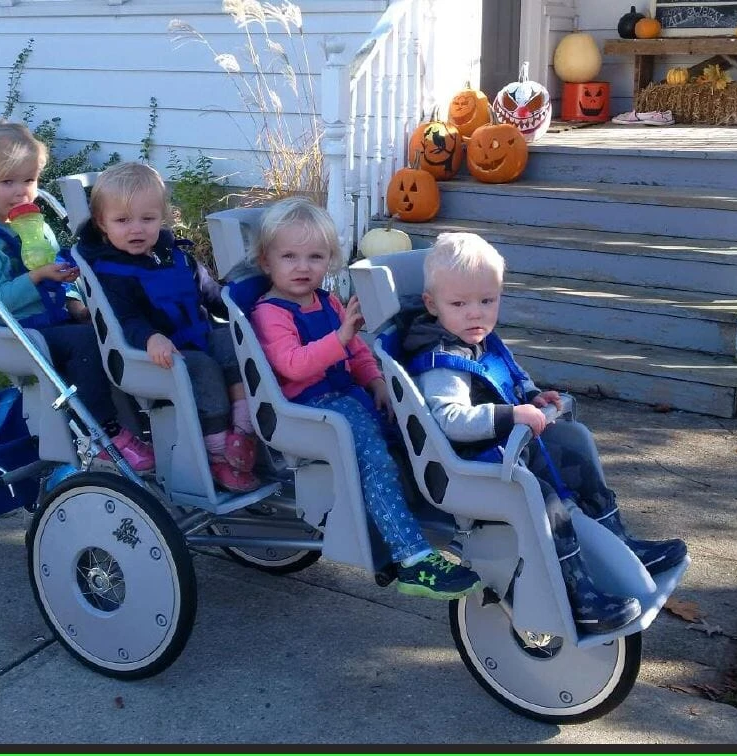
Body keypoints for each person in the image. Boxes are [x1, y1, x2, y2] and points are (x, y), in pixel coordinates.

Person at [401, 231, 688, 633]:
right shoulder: (443, 363)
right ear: (432, 305)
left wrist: (533, 396)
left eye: (487, 301)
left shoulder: (483, 341)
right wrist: (511, 414)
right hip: (474, 468)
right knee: (545, 501)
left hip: (509, 451)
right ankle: (579, 594)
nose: (475, 314)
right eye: (459, 304)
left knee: (575, 441)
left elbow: (511, 376)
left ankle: (620, 542)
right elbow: (449, 419)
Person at [249, 197, 482, 601]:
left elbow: (356, 352)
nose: (303, 267)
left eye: (315, 257)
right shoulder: (270, 312)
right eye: (289, 257)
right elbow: (293, 365)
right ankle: (412, 557)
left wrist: (375, 381)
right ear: (266, 262)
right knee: (374, 458)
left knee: (411, 430)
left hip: (347, 396)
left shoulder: (327, 301)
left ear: (329, 260)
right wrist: (340, 337)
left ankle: (446, 508)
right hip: (307, 409)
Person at [0, 120, 154, 472]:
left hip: (56, 319)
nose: (21, 191)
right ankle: (101, 432)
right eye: (7, 182)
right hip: (16, 332)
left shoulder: (37, 226)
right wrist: (36, 276)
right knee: (86, 343)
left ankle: (140, 419)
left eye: (29, 180)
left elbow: (59, 269)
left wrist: (74, 299)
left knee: (114, 331)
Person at [76, 162, 260, 493]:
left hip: (195, 337)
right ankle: (218, 452)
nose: (136, 229)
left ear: (163, 217)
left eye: (147, 219)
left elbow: (210, 294)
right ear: (102, 223)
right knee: (202, 368)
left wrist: (242, 308)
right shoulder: (111, 272)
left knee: (233, 342)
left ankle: (243, 428)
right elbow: (124, 319)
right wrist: (150, 337)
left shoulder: (175, 256)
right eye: (122, 221)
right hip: (150, 356)